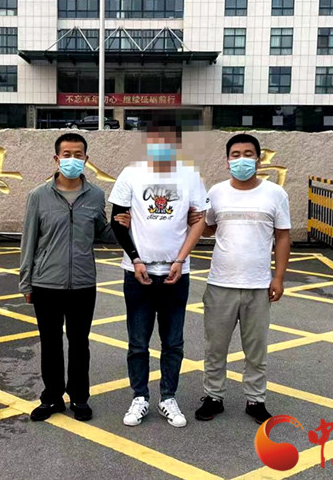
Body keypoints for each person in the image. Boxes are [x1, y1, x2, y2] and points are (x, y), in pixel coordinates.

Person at [19, 132, 128, 422]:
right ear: (56, 158)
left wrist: (122, 225)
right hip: (46, 283)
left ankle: (80, 398)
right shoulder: (38, 196)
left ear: (86, 159)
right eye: (66, 154)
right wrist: (26, 282)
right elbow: (29, 241)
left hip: (82, 283)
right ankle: (52, 398)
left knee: (80, 344)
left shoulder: (95, 195)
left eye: (78, 155)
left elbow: (101, 233)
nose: (72, 159)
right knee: (50, 343)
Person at [109, 119, 209, 428]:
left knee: (173, 341)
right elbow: (117, 221)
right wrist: (136, 259)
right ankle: (140, 397)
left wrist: (181, 259)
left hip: (175, 273)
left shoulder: (190, 176)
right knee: (138, 342)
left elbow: (199, 221)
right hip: (137, 273)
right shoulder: (131, 173)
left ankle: (168, 397)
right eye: (155, 140)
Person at [194, 133, 291, 425]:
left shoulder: (275, 194)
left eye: (248, 154)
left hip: (258, 286)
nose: (241, 160)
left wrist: (279, 277)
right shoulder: (217, 192)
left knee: (256, 349)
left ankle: (255, 400)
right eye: (235, 155)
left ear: (258, 160)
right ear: (227, 161)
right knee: (215, 347)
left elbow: (283, 237)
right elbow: (208, 227)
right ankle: (213, 396)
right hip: (220, 283)